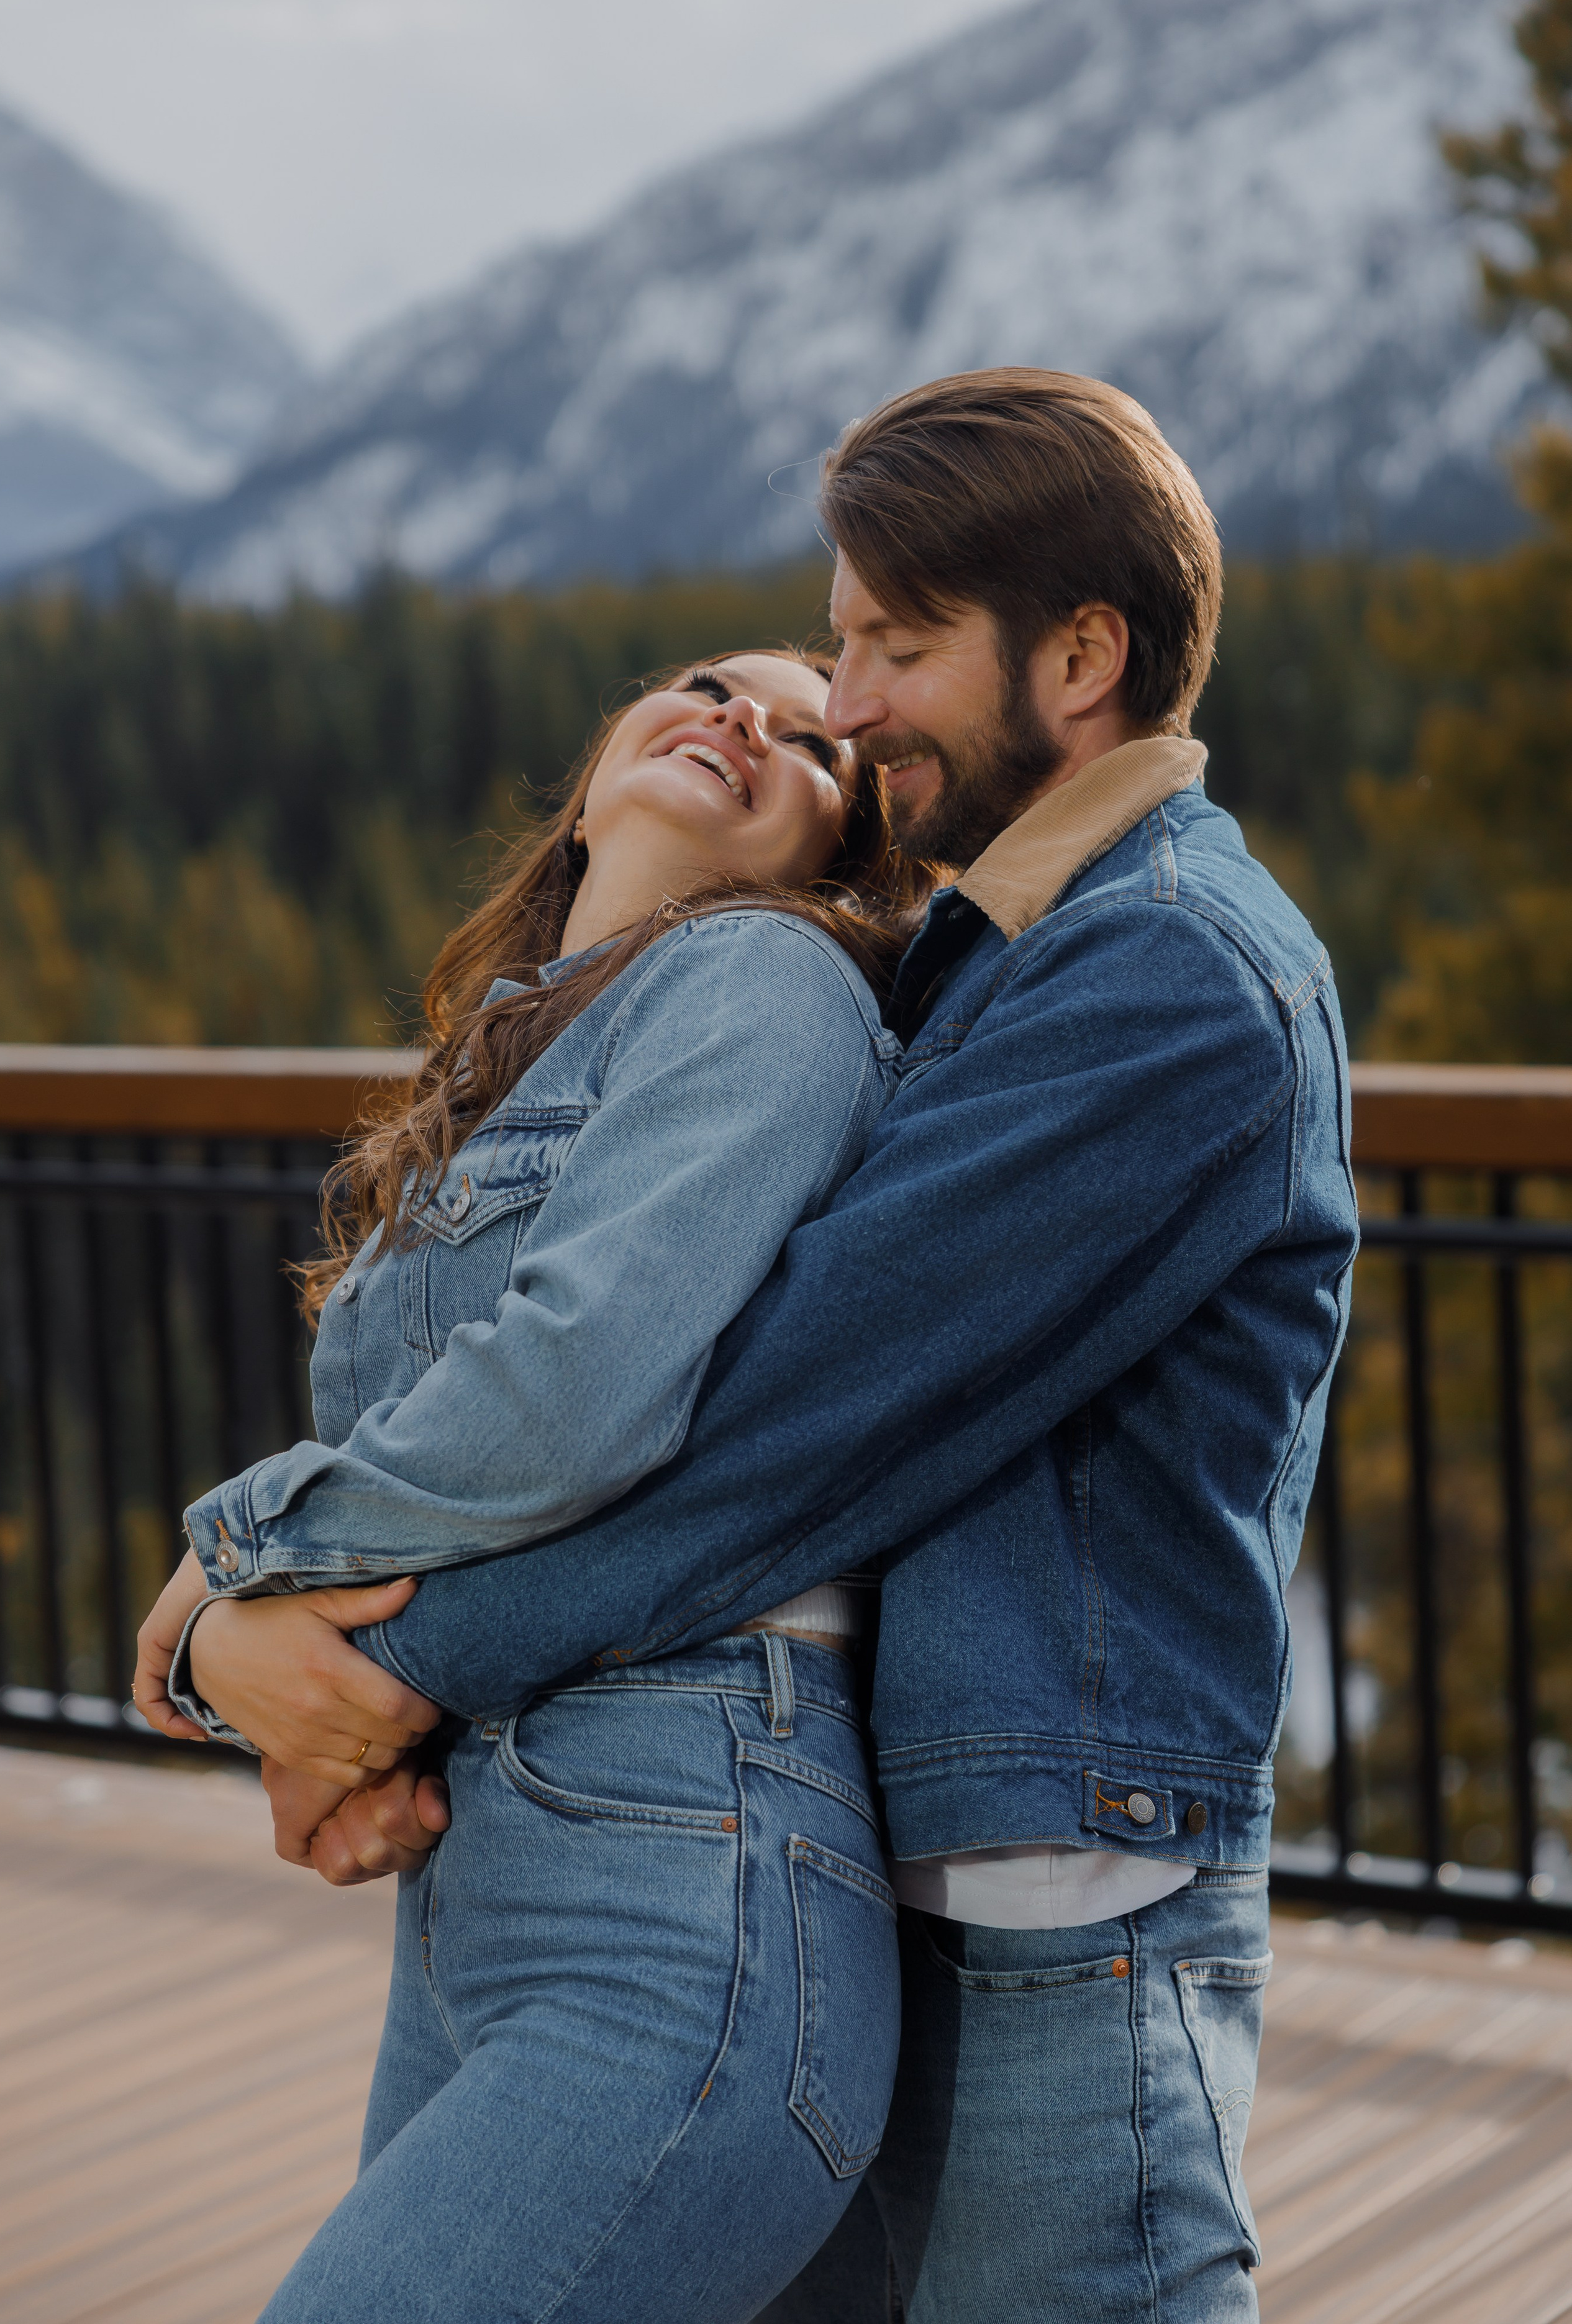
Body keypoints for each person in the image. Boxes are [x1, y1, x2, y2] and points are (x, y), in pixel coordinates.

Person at [152, 368, 1360, 2322]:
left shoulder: (1170, 979)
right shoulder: (1002, 951)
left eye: (891, 648)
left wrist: (343, 1663)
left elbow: (782, 1430)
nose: (849, 701)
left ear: (1080, 655)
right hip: (890, 1860)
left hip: (1056, 1896)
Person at [135, 644, 938, 2322]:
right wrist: (329, 1704)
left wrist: (235, 1567)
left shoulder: (768, 986)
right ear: (589, 784)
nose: (746, 721)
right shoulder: (514, 1064)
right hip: (485, 1876)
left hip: (675, 1885)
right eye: (713, 684)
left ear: (828, 865)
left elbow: (575, 1388)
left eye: (809, 746)